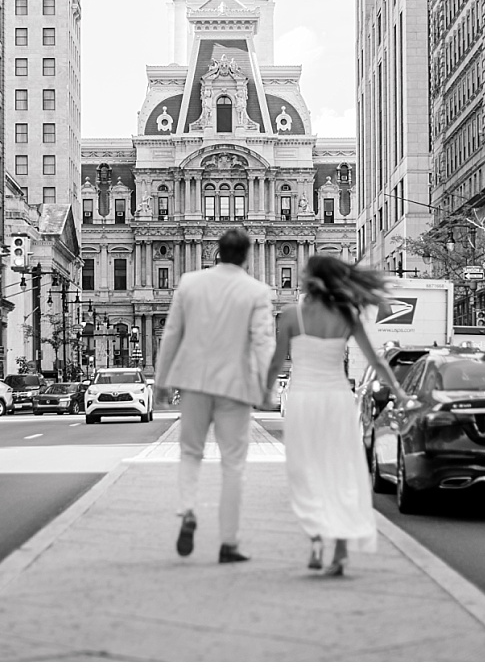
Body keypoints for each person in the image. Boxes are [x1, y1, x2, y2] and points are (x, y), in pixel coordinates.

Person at [271, 255, 404, 576]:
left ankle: (317, 538)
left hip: (304, 401)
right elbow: (377, 361)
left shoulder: (291, 316)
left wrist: (263, 392)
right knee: (340, 472)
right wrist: (399, 392)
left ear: (313, 279)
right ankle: (341, 549)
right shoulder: (347, 315)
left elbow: (275, 362)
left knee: (306, 472)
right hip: (337, 401)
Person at [154, 227, 274, 564]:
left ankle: (188, 509)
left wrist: (161, 380)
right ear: (246, 255)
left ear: (217, 253)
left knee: (190, 452)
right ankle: (229, 542)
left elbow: (172, 334)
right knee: (234, 463)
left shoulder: (190, 284)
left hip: (193, 380)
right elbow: (264, 342)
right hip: (235, 386)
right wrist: (267, 387)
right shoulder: (257, 291)